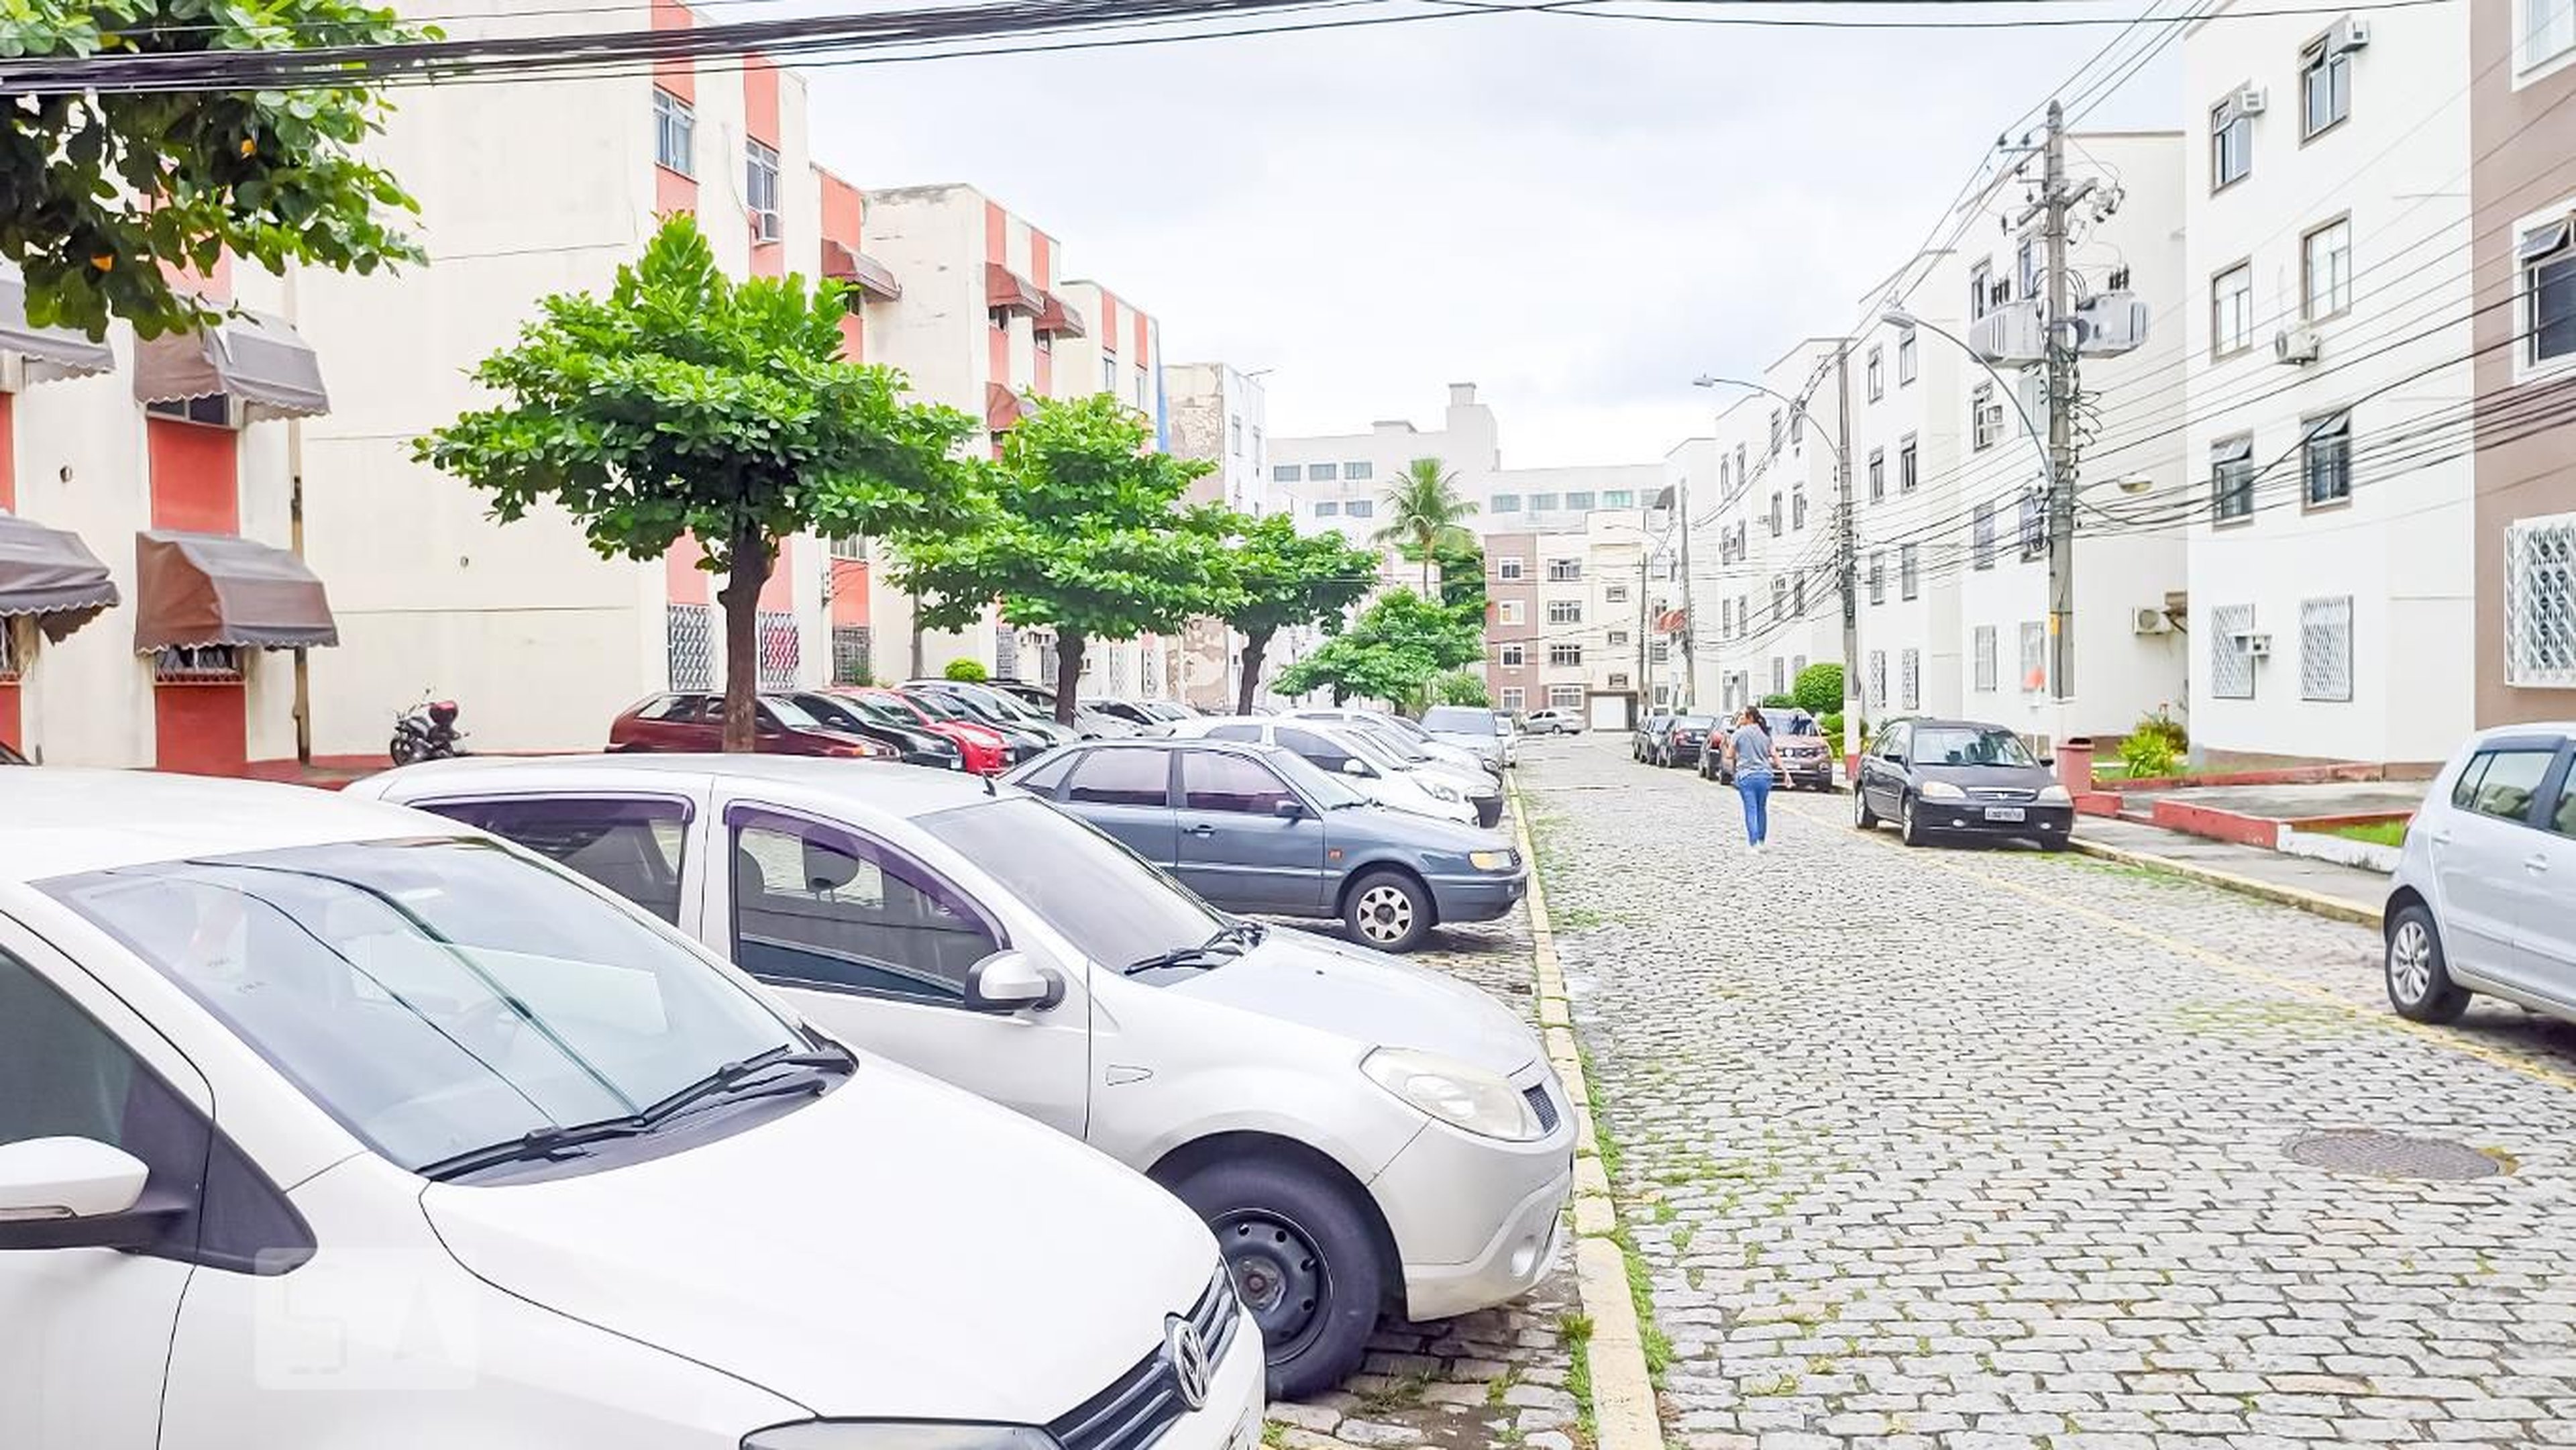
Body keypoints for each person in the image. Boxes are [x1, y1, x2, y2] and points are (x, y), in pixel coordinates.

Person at [1724, 706, 1776, 850]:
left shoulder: (1739, 734)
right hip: (1765, 775)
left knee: (1751, 810)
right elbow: (1773, 754)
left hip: (1747, 776)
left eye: (1742, 715)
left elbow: (1729, 755)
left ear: (1749, 718)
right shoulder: (1765, 734)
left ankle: (1753, 844)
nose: (1740, 718)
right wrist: (1786, 773)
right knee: (1761, 809)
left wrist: (1727, 743)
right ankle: (1761, 841)